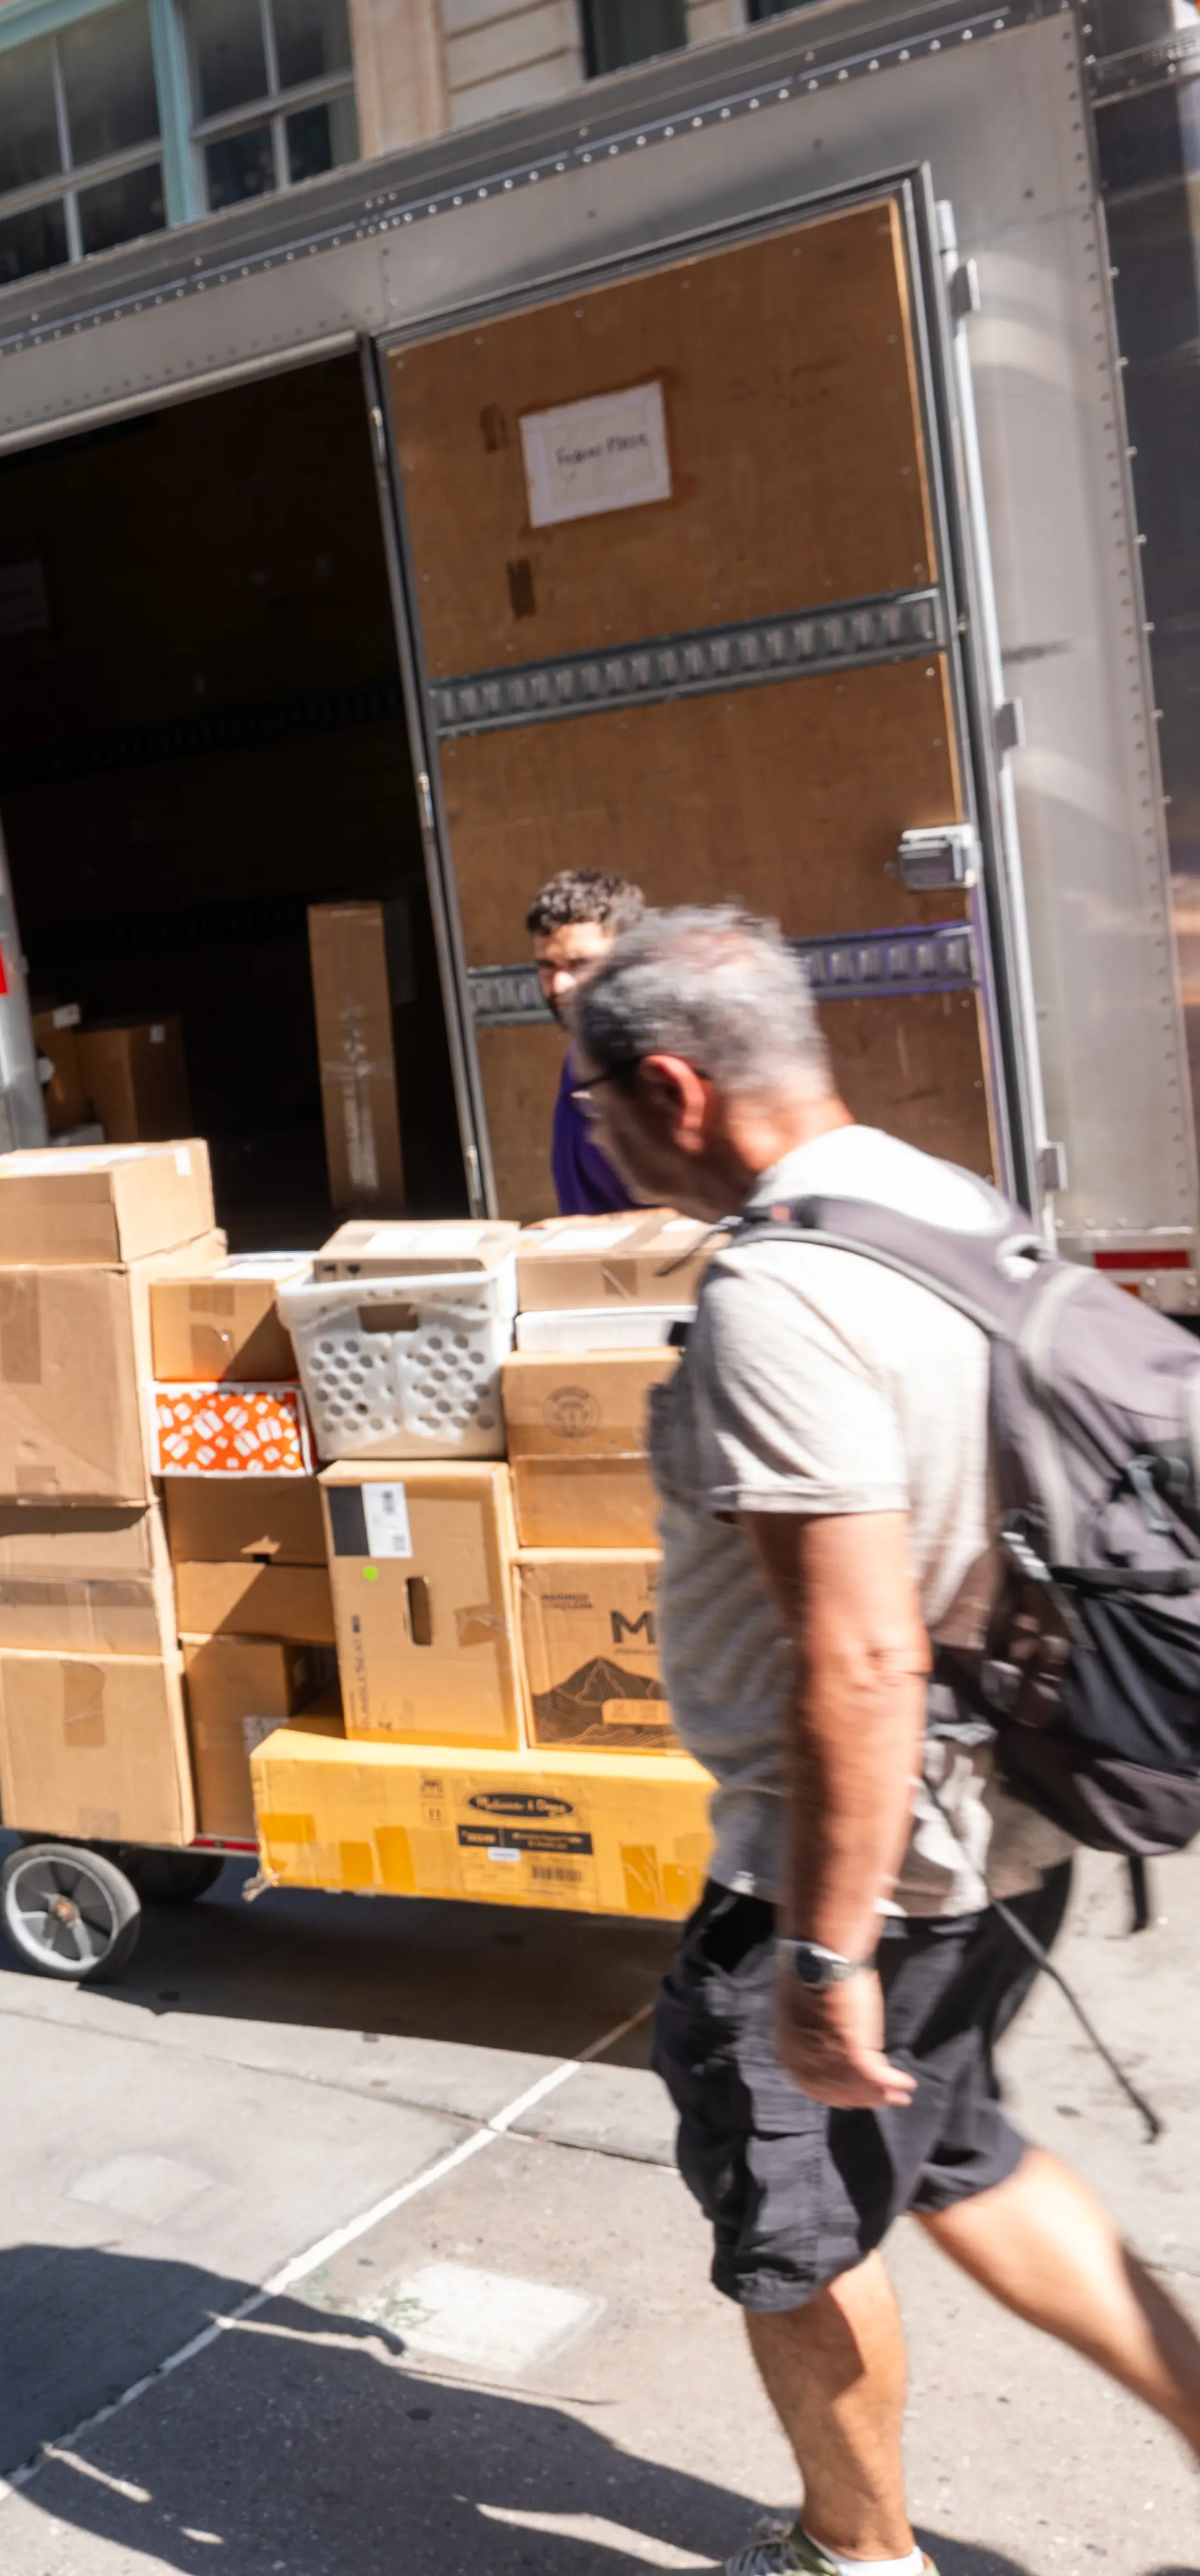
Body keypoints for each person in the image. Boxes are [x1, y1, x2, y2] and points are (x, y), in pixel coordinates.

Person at [570, 909, 1200, 2576]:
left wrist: (821, 1954)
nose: (601, 1137)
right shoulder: (943, 1196)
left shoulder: (779, 1292)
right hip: (1016, 1813)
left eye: (600, 1103)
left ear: (674, 1089)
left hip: (854, 1864)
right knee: (965, 2147)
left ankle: (861, 2558)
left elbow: (852, 1656)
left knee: (795, 2236)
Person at [534, 866, 650, 1213]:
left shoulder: (668, 1061)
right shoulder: (582, 1055)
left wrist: (589, 1232)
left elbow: (726, 1211)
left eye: (580, 964)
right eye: (547, 966)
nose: (559, 986)